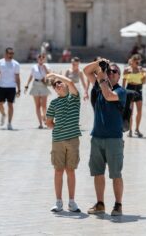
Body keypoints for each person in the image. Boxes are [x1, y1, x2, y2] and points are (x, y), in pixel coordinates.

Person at [83, 59, 126, 216]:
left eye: (114, 71)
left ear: (119, 76)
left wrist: (101, 75)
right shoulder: (98, 85)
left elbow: (108, 95)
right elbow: (86, 71)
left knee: (116, 174)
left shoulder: (121, 92)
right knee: (97, 172)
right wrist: (98, 63)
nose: (111, 73)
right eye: (109, 71)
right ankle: (100, 204)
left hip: (114, 139)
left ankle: (118, 205)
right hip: (97, 137)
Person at [45, 73, 82, 213]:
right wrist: (57, 127)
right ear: (54, 90)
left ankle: (72, 202)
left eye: (60, 83)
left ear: (65, 84)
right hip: (57, 140)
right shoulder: (54, 103)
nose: (58, 85)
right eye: (55, 85)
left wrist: (55, 75)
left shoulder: (74, 97)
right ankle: (58, 202)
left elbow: (72, 83)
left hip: (73, 139)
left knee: (71, 171)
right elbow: (48, 122)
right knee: (58, 171)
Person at [0, 47, 21, 130]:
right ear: (6, 53)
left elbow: (17, 77)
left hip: (11, 87)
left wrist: (19, 89)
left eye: (12, 53)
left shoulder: (16, 64)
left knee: (10, 105)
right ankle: (3, 114)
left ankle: (9, 123)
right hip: (2, 86)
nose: (11, 55)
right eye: (10, 53)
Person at [122, 54, 146, 138]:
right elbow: (123, 83)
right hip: (130, 89)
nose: (137, 63)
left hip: (139, 89)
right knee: (131, 111)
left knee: (139, 111)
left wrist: (145, 74)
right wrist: (122, 92)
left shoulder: (140, 70)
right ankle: (130, 130)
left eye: (138, 62)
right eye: (136, 61)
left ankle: (137, 129)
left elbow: (144, 82)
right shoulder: (127, 70)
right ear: (131, 61)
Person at [24, 54, 51, 129]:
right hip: (35, 84)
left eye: (42, 58)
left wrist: (45, 68)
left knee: (44, 105)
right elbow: (31, 76)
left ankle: (44, 116)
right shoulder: (34, 67)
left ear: (44, 59)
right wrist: (27, 84)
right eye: (39, 58)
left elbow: (50, 74)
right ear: (37, 59)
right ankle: (40, 123)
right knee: (37, 105)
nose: (41, 60)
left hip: (43, 84)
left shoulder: (46, 66)